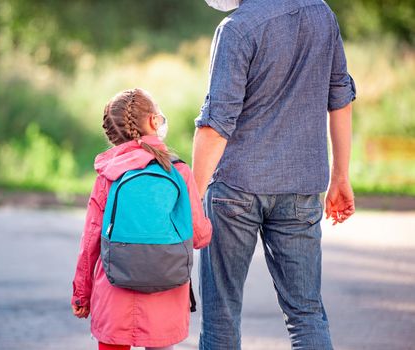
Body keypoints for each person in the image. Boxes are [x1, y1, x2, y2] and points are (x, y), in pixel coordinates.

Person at [193, 0, 357, 349]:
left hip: (235, 187)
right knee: (306, 313)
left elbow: (216, 125)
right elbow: (340, 95)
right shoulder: (322, 14)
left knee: (221, 314)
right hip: (301, 185)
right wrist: (341, 175)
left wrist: (193, 199)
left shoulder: (236, 28)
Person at [71, 88, 212, 350]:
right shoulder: (178, 171)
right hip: (165, 293)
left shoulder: (108, 175)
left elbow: (90, 240)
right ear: (153, 121)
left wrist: (82, 293)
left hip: (113, 292)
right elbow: (200, 237)